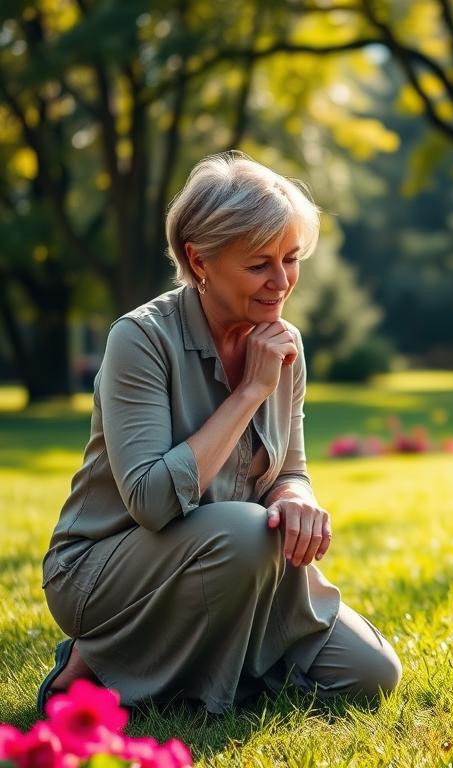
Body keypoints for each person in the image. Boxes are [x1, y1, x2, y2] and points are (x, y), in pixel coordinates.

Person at [38, 152, 401, 714]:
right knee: (246, 531)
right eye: (259, 264)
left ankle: (177, 669)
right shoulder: (139, 339)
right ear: (199, 259)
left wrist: (298, 500)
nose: (282, 282)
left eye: (291, 259)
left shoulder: (287, 343)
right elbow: (152, 501)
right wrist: (249, 392)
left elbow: (291, 470)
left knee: (370, 673)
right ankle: (94, 665)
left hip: (241, 560)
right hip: (104, 573)